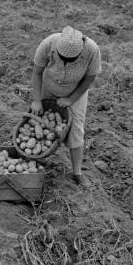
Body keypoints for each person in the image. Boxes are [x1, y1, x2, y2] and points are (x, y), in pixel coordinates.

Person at [30, 26, 102, 186]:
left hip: (76, 92)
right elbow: (36, 73)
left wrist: (71, 99)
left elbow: (89, 79)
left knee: (76, 129)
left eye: (70, 60)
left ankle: (77, 173)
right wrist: (37, 100)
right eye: (62, 57)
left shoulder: (92, 50)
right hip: (48, 88)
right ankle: (37, 159)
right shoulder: (48, 43)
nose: (65, 62)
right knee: (40, 124)